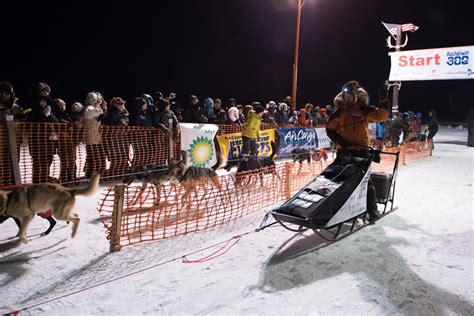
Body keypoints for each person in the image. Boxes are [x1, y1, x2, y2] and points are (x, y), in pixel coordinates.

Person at [326, 80, 389, 222]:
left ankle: (372, 211)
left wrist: (384, 99)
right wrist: (340, 140)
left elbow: (382, 116)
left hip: (362, 151)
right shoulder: (339, 112)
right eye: (345, 97)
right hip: (344, 151)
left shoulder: (364, 109)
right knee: (338, 180)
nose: (348, 100)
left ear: (356, 96)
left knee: (366, 181)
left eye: (350, 97)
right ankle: (340, 209)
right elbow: (329, 128)